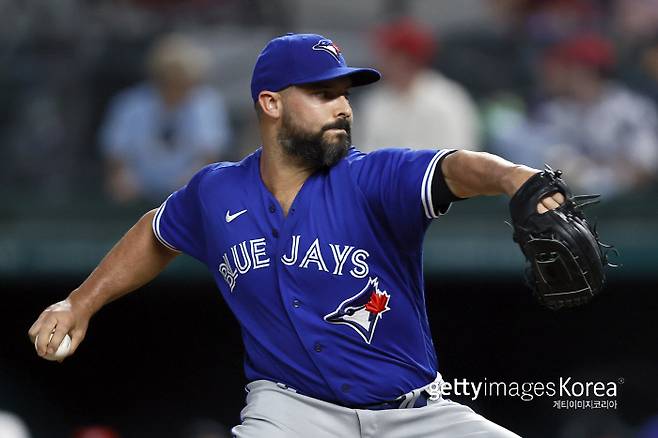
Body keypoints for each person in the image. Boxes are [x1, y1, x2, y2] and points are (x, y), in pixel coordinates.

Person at [30, 33, 566, 437]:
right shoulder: (217, 192)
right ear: (271, 103)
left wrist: (513, 177)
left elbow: (452, 168)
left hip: (415, 413)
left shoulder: (371, 176)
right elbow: (156, 231)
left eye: (344, 94)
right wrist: (79, 303)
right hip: (291, 411)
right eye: (322, 93)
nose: (344, 107)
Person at [99, 33, 231, 203]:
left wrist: (190, 184)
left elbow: (210, 153)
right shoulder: (131, 103)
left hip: (185, 189)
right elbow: (115, 152)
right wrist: (122, 179)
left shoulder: (207, 103)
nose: (176, 85)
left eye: (183, 80)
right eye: (171, 78)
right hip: (137, 188)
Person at [356, 18, 481, 152]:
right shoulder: (375, 102)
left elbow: (460, 153)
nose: (381, 61)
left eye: (388, 55)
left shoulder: (447, 100)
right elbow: (365, 154)